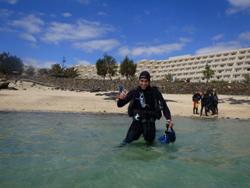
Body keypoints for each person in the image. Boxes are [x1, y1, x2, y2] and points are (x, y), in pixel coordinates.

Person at [117, 71, 173, 145]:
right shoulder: (134, 92)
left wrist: (169, 119)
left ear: (149, 81)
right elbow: (120, 104)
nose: (143, 83)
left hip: (150, 124)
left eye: (146, 81)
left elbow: (164, 106)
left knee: (150, 146)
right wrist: (120, 98)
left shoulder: (155, 92)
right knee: (126, 143)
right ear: (139, 81)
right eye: (141, 81)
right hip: (137, 123)